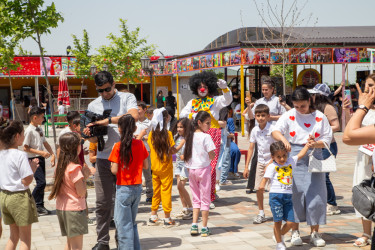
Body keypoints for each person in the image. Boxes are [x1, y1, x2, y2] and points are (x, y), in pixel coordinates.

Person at [83, 71, 139, 250]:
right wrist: (90, 134)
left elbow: (132, 118)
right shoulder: (93, 105)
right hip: (102, 158)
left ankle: (123, 241)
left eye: (107, 89)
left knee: (123, 204)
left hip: (124, 159)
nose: (104, 94)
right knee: (102, 203)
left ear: (114, 84)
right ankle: (102, 242)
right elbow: (93, 140)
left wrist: (107, 121)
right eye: (100, 91)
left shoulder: (127, 97)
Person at [271, 87, 332, 247]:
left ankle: (314, 231)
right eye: (296, 106)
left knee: (317, 194)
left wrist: (315, 143)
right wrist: (284, 140)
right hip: (294, 156)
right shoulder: (289, 115)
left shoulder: (320, 116)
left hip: (315, 154)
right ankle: (294, 231)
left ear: (309, 101)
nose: (299, 109)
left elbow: (327, 137)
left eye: (302, 106)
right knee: (295, 194)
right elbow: (275, 130)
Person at [180, 72, 232, 208]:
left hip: (212, 134)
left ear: (209, 88)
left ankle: (209, 195)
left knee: (211, 166)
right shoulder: (192, 102)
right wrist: (192, 114)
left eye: (205, 86)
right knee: (199, 165)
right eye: (199, 87)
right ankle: (204, 194)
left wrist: (225, 88)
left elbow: (227, 100)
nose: (202, 89)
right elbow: (182, 114)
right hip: (196, 135)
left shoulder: (214, 100)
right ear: (195, 89)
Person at [259, 141, 311, 250]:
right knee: (277, 221)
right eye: (279, 157)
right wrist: (262, 186)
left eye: (284, 156)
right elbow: (265, 179)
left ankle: (279, 235)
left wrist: (307, 145)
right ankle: (279, 243)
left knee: (291, 222)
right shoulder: (272, 166)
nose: (282, 159)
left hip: (288, 197)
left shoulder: (290, 161)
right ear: (273, 157)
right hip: (276, 197)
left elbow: (301, 155)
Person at [342, 76, 375, 248]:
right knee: (364, 193)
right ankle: (366, 233)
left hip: (372, 157)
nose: (368, 90)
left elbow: (349, 137)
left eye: (371, 86)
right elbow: (351, 130)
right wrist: (349, 111)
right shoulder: (365, 110)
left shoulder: (365, 108)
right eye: (366, 86)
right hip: (364, 155)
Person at [108, 115, 149, 250]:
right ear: (135, 128)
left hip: (123, 188)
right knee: (131, 223)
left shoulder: (118, 146)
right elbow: (146, 166)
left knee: (123, 225)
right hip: (137, 187)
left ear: (119, 129)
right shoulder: (140, 144)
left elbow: (114, 170)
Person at [0, 119, 39, 250]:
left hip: (4, 197)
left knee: (13, 236)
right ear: (17, 136)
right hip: (19, 198)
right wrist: (32, 169)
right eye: (22, 134)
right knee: (25, 240)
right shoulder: (20, 155)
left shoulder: (1, 154)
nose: (23, 137)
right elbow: (27, 180)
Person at [48, 132, 89, 250]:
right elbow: (81, 192)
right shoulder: (75, 168)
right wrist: (85, 177)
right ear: (77, 147)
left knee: (69, 243)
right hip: (74, 210)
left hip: (62, 208)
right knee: (76, 246)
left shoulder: (60, 166)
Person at [308, 83, 341, 216]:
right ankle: (322, 201)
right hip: (317, 145)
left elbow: (337, 126)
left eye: (314, 94)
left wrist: (321, 130)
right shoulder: (314, 108)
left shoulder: (328, 108)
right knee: (317, 174)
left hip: (328, 145)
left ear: (320, 96)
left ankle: (332, 204)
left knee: (324, 175)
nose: (311, 96)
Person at [147, 108, 183, 227]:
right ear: (166, 118)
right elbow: (172, 151)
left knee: (156, 191)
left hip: (155, 167)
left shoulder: (151, 134)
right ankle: (167, 218)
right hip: (166, 167)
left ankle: (153, 216)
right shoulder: (167, 134)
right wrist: (182, 143)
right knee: (166, 191)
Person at [183, 111, 216, 237]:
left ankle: (194, 225)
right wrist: (208, 158)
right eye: (207, 123)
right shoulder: (206, 137)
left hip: (192, 170)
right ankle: (204, 227)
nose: (209, 126)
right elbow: (212, 154)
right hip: (203, 168)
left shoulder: (189, 136)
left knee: (196, 198)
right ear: (199, 123)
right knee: (205, 198)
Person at [243, 104, 275, 224]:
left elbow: (277, 148)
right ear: (255, 116)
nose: (260, 118)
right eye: (258, 115)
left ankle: (277, 212)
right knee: (259, 188)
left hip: (273, 163)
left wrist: (271, 162)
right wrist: (247, 167)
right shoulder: (255, 130)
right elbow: (251, 148)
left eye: (263, 115)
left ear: (268, 116)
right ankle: (261, 212)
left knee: (273, 189)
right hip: (260, 162)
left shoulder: (273, 129)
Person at [23, 106, 56, 216]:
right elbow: (25, 147)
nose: (44, 119)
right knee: (41, 182)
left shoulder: (39, 128)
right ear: (35, 117)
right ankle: (28, 203)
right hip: (33, 159)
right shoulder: (29, 131)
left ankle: (39, 205)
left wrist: (52, 154)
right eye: (42, 117)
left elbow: (45, 142)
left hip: (40, 158)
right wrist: (41, 153)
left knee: (41, 183)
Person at [172, 117, 193, 220]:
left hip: (186, 165)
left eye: (181, 127)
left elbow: (177, 150)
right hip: (178, 164)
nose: (179, 129)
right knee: (179, 188)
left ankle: (191, 208)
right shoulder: (176, 136)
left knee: (181, 186)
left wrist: (186, 156)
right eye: (178, 127)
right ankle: (185, 208)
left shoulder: (189, 138)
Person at [133, 101, 153, 203]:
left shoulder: (149, 123)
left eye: (139, 109)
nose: (138, 111)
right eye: (136, 109)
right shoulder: (134, 122)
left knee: (147, 173)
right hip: (135, 150)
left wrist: (143, 137)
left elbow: (151, 136)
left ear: (145, 110)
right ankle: (137, 194)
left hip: (146, 150)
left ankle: (150, 194)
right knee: (137, 173)